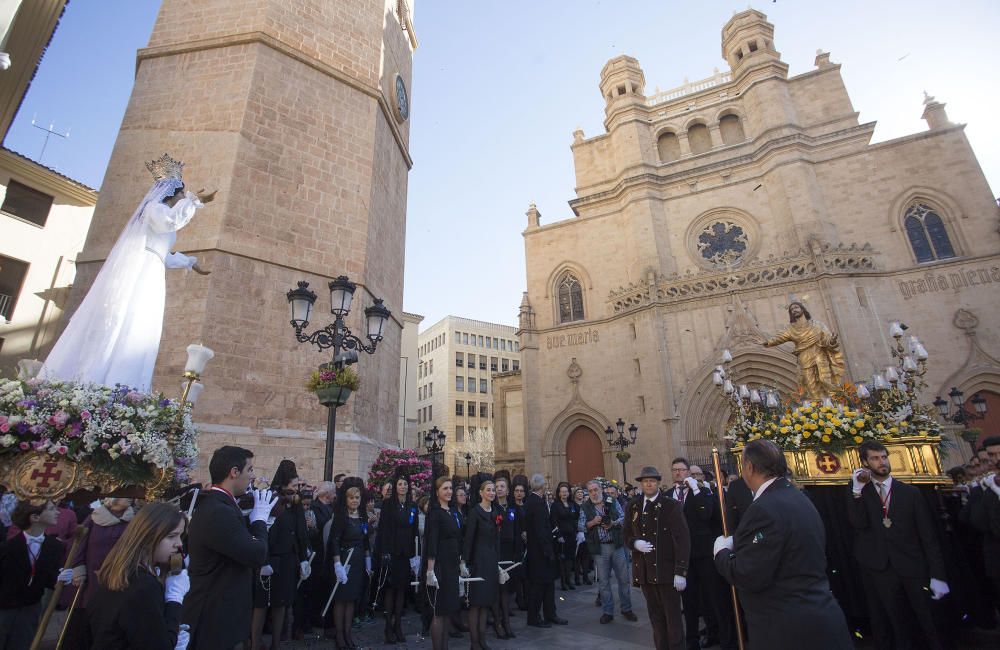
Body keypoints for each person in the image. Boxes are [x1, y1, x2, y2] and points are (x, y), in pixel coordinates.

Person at [39, 153, 213, 391]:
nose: (183, 196)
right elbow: (171, 222)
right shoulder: (154, 209)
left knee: (141, 329)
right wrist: (193, 202)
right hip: (141, 271)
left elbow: (161, 253)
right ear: (172, 192)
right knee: (128, 322)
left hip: (152, 270)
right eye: (182, 192)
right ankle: (102, 383)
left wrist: (190, 262)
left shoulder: (158, 215)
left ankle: (126, 386)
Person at [714, 439, 851, 649]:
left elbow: (747, 573)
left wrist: (721, 552)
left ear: (749, 467)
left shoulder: (763, 508)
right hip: (819, 615)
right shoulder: (799, 497)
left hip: (787, 628)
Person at [847, 439, 949, 648]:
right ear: (865, 462)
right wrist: (856, 493)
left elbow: (928, 536)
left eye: (884, 457)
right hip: (882, 568)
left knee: (928, 620)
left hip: (912, 565)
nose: (881, 462)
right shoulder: (860, 493)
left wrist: (938, 575)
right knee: (895, 621)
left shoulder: (909, 493)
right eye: (875, 458)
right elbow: (858, 524)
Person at [183, 445, 277, 650]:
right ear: (234, 472)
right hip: (214, 615)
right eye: (249, 470)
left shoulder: (224, 505)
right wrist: (260, 521)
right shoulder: (219, 511)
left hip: (224, 612)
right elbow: (256, 555)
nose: (253, 476)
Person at [87, 503, 190, 649]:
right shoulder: (143, 585)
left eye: (180, 536)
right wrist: (174, 598)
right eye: (171, 536)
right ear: (147, 536)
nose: (179, 544)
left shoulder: (122, 572)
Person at [668, 458, 732, 650]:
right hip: (683, 557)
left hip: (704, 553)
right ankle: (692, 640)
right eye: (675, 470)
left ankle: (723, 637)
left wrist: (696, 490)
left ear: (688, 473)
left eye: (682, 470)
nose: (678, 473)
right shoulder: (668, 495)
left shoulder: (703, 492)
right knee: (689, 602)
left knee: (714, 597)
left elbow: (706, 515)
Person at [624, 466, 689, 650]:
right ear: (641, 484)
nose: (649, 484)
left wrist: (681, 571)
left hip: (667, 572)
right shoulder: (633, 506)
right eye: (645, 481)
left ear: (658, 483)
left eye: (652, 481)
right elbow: (626, 533)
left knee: (673, 621)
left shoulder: (671, 505)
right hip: (645, 572)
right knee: (656, 619)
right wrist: (634, 543)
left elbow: (682, 539)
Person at [61, 497, 135, 650]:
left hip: (117, 582)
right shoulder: (94, 519)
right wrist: (77, 566)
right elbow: (77, 544)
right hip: (90, 584)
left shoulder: (133, 522)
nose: (130, 497)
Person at [0, 500, 73, 650]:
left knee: (22, 644)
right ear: (35, 517)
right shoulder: (7, 548)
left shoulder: (54, 547)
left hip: (30, 608)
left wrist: (58, 578)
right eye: (52, 509)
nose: (58, 512)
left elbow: (47, 578)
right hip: (4, 608)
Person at [251, 469, 310, 650]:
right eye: (293, 485)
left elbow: (300, 531)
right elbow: (263, 531)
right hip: (271, 558)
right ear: (284, 484)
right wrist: (264, 560)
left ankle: (276, 643)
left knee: (281, 603)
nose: (296, 488)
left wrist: (303, 558)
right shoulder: (271, 499)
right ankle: (255, 643)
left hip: (287, 559)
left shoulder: (295, 502)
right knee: (261, 604)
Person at [755, 301, 845, 399]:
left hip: (819, 354)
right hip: (804, 357)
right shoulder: (791, 329)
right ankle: (818, 408)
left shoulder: (817, 324)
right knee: (811, 385)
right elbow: (779, 338)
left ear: (802, 309)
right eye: (792, 310)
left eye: (796, 307)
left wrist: (831, 340)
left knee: (825, 380)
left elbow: (826, 337)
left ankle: (837, 403)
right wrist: (767, 342)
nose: (794, 310)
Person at [579, 479, 635, 624]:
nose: (593, 493)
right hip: (600, 548)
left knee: (623, 579)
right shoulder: (585, 506)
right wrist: (593, 522)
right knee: (603, 582)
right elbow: (580, 527)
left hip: (617, 545)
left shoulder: (612, 501)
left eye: (596, 490)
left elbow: (624, 518)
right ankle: (607, 612)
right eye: (590, 491)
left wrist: (613, 523)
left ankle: (626, 609)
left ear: (601, 489)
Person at [374, 469, 419, 644]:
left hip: (406, 553)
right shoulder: (388, 505)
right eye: (400, 484)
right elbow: (384, 530)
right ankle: (388, 627)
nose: (403, 487)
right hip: (392, 552)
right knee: (391, 590)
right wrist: (385, 552)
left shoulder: (412, 506)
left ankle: (398, 624)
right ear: (395, 486)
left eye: (405, 484)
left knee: (402, 590)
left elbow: (414, 530)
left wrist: (415, 555)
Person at [327, 480, 371, 650]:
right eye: (351, 497)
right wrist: (337, 564)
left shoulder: (362, 517)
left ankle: (348, 633)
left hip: (359, 560)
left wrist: (368, 560)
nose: (354, 500)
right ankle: (339, 636)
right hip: (344, 559)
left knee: (352, 598)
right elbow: (335, 541)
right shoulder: (341, 517)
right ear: (346, 499)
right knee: (341, 599)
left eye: (357, 497)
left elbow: (365, 539)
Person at [463, 474, 504, 648]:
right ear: (481, 493)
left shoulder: (495, 512)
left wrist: (498, 565)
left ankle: (483, 640)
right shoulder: (475, 512)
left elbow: (496, 540)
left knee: (486, 601)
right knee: (476, 603)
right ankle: (474, 642)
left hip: (491, 560)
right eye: (488, 490)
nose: (492, 492)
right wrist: (464, 562)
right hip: (478, 560)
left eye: (493, 490)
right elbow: (468, 539)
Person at [524, 473, 567, 628]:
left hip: (542, 549)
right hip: (540, 551)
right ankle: (534, 617)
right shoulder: (535, 503)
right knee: (538, 585)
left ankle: (550, 614)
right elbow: (541, 529)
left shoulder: (536, 501)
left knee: (548, 584)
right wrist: (548, 550)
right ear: (542, 486)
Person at [424, 477, 462, 650]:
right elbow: (432, 542)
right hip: (440, 566)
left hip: (452, 565)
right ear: (437, 491)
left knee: (448, 611)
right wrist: (430, 571)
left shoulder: (452, 511)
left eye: (450, 488)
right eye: (445, 488)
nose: (448, 491)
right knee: (438, 612)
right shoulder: (435, 513)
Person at [493, 476, 521, 639]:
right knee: (499, 589)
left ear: (508, 490)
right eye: (497, 486)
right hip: (498, 552)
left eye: (502, 486)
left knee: (507, 590)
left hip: (510, 552)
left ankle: (506, 622)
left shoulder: (512, 508)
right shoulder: (493, 508)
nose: (499, 489)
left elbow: (517, 531)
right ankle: (498, 623)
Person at [550, 481, 579, 591]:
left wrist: (576, 532)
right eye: (562, 492)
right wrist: (558, 535)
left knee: (570, 559)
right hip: (561, 536)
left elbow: (575, 519)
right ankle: (563, 582)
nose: (564, 493)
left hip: (572, 535)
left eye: (566, 491)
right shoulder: (555, 505)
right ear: (559, 493)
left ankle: (569, 580)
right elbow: (554, 521)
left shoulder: (572, 504)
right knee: (562, 559)